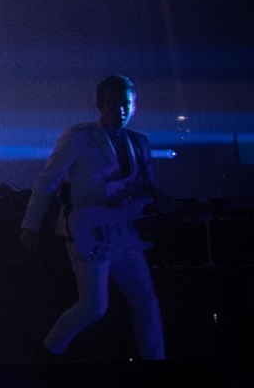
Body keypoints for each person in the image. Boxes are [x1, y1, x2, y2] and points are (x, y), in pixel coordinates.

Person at [19, 75, 165, 360]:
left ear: (134, 106)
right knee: (93, 307)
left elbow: (146, 190)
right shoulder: (79, 136)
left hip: (124, 234)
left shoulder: (139, 142)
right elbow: (48, 180)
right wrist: (30, 226)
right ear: (100, 106)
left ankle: (156, 366)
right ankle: (46, 354)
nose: (120, 110)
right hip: (88, 231)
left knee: (147, 302)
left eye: (126, 104)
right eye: (114, 103)